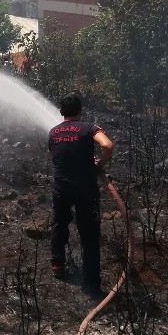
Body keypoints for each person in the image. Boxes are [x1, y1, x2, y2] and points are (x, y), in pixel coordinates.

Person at [48, 92, 114, 298]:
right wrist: (100, 164)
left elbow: (55, 154)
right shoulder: (88, 128)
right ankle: (91, 284)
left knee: (59, 224)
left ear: (61, 112)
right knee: (90, 235)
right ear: (80, 110)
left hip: (61, 188)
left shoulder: (53, 132)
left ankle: (58, 266)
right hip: (85, 189)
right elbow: (107, 145)